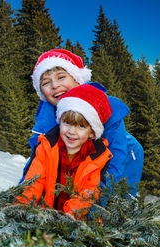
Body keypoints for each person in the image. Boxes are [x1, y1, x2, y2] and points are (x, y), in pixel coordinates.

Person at [21, 49, 143, 195]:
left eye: (61, 77)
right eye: (46, 83)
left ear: (77, 79)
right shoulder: (47, 117)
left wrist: (93, 207)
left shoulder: (104, 107)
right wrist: (23, 193)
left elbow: (115, 161)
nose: (55, 86)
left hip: (121, 162)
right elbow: (37, 161)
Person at [17, 84, 113, 219]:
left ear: (92, 132)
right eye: (67, 123)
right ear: (60, 121)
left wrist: (69, 217)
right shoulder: (46, 147)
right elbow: (33, 181)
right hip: (45, 215)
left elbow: (88, 192)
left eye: (81, 126)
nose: (71, 132)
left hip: (76, 221)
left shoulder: (96, 157)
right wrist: (21, 206)